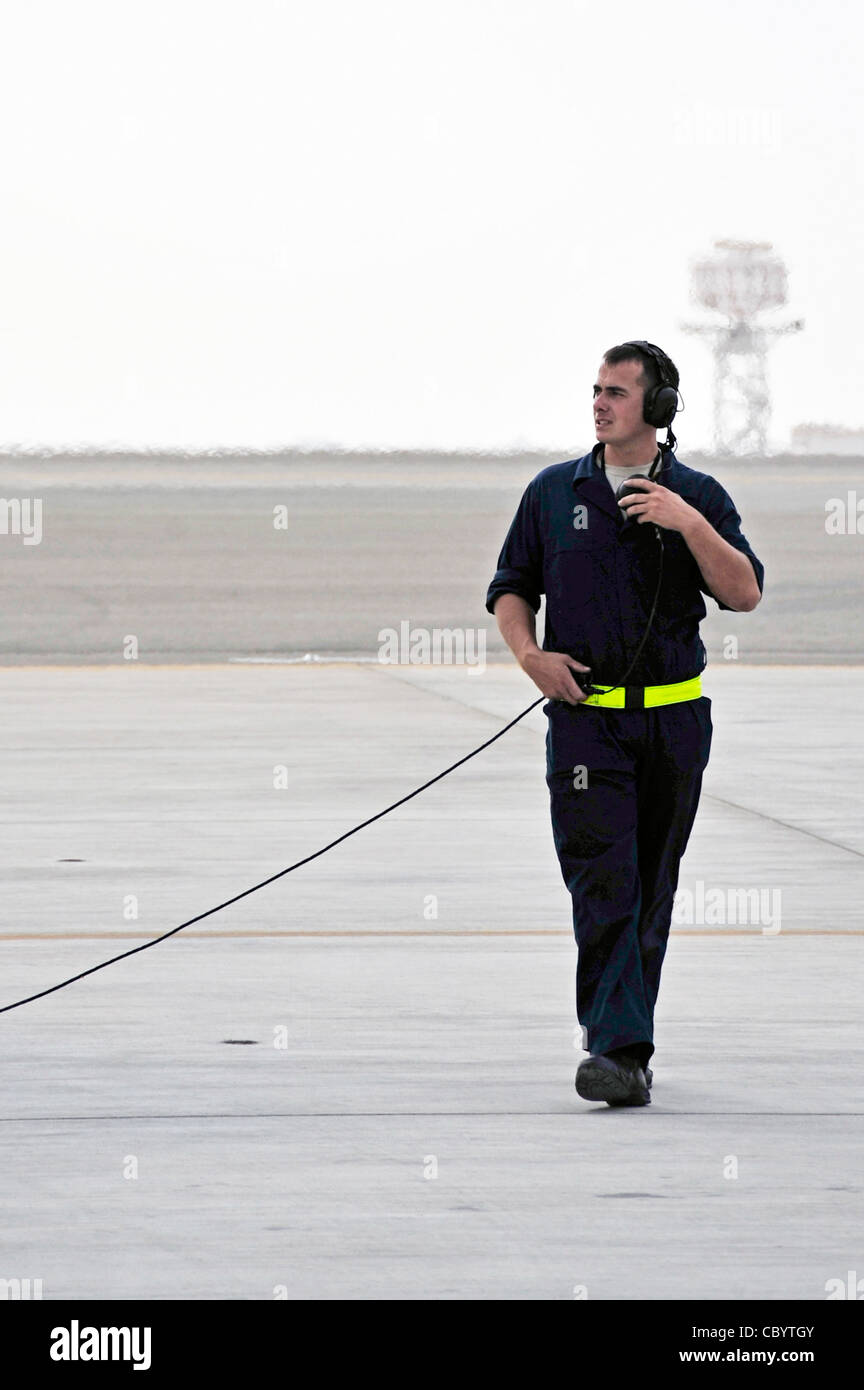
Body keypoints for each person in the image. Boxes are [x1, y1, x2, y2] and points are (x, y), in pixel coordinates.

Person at [485, 341, 764, 1106]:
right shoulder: (553, 491)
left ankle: (626, 1053)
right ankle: (616, 1049)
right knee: (602, 883)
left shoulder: (698, 494)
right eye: (597, 391)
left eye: (617, 392)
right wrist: (529, 655)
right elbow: (511, 587)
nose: (601, 404)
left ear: (659, 408)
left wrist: (687, 524)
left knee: (650, 887)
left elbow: (743, 593)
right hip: (585, 725)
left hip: (674, 725)